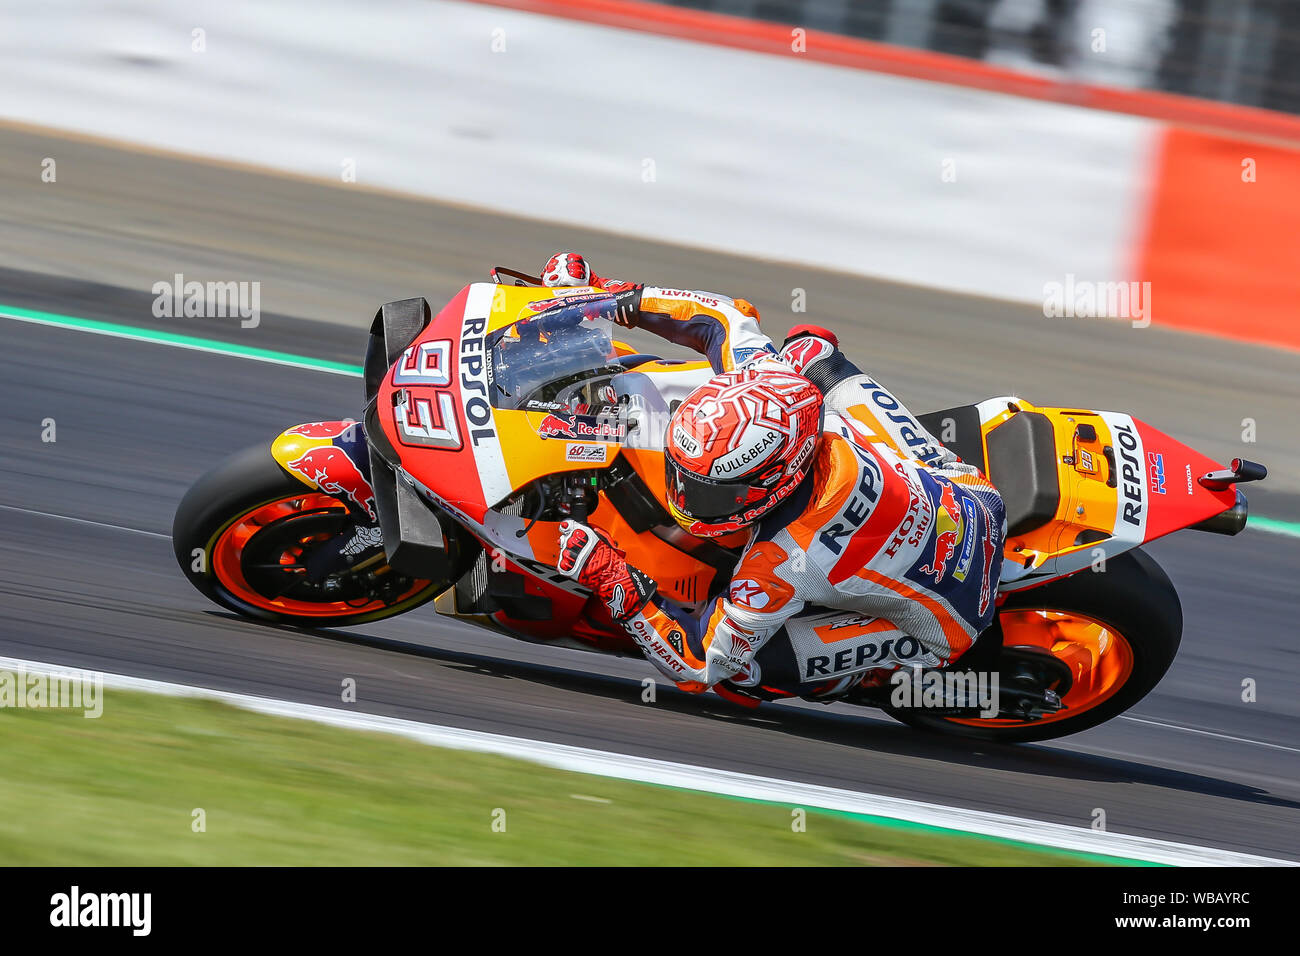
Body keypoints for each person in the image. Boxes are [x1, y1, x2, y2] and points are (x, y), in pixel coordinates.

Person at [539, 252, 1006, 702]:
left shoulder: (779, 562)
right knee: (810, 353)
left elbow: (701, 665)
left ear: (775, 481)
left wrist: (613, 579)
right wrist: (602, 296)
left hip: (951, 616)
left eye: (714, 492)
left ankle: (858, 678)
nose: (688, 498)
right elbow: (721, 316)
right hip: (970, 492)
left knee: (744, 671)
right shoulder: (768, 378)